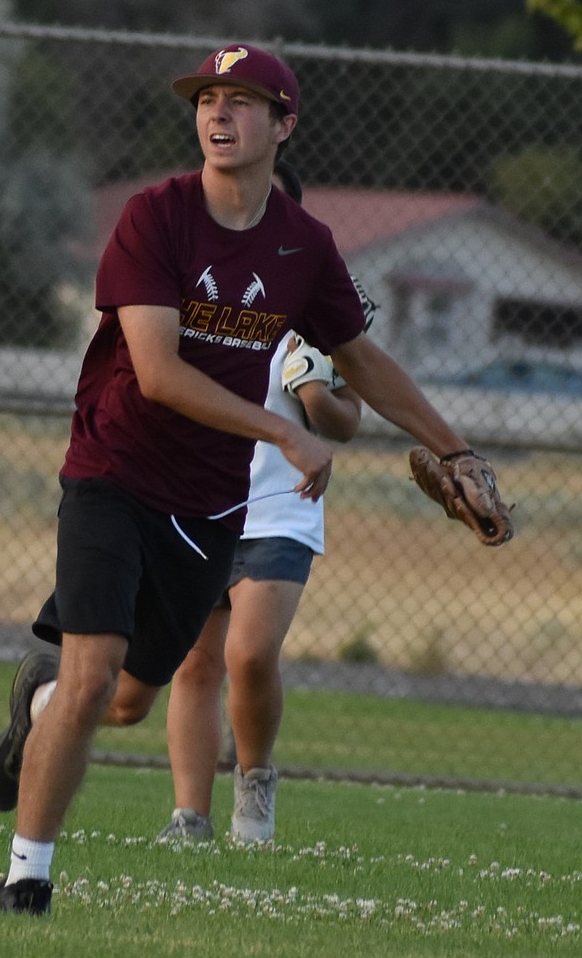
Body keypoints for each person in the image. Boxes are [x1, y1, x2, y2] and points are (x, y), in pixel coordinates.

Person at [0, 42, 492, 917]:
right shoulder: (156, 217)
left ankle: (44, 695)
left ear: (284, 125)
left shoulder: (305, 247)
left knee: (128, 701)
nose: (219, 113)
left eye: (244, 101)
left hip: (208, 502)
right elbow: (156, 371)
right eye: (209, 98)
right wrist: (282, 437)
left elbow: (359, 359)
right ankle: (26, 878)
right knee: (103, 672)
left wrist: (454, 450)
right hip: (114, 468)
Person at [158, 159, 373, 848]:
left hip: (280, 506)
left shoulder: (317, 298)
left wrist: (311, 385)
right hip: (202, 497)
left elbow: (347, 421)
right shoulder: (199, 287)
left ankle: (256, 778)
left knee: (249, 655)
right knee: (194, 662)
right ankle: (189, 818)